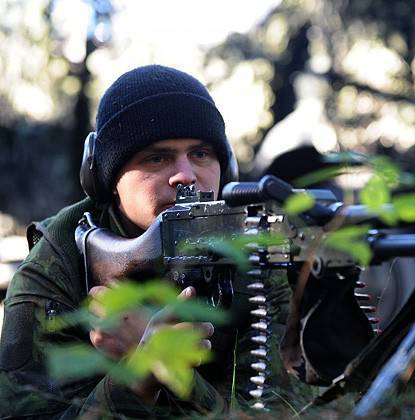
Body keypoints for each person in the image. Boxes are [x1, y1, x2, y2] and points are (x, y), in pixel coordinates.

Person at [0, 65, 239, 418]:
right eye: (157, 157)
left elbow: (291, 408)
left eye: (202, 154)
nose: (186, 176)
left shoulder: (257, 248)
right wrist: (137, 381)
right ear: (105, 179)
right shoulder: (59, 262)